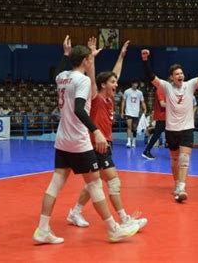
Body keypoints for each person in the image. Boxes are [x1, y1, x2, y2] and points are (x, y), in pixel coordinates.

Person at [32, 36, 138, 245]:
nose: (92, 62)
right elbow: (79, 108)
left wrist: (65, 53)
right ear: (85, 61)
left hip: (62, 139)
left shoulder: (61, 77)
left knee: (55, 185)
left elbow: (60, 70)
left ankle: (43, 229)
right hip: (79, 141)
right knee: (95, 184)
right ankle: (113, 229)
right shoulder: (83, 81)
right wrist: (95, 130)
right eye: (90, 59)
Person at [67, 40, 148, 232]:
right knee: (113, 181)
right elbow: (93, 79)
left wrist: (121, 55)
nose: (116, 84)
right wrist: (92, 58)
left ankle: (75, 212)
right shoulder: (96, 96)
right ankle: (124, 219)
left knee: (93, 182)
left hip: (105, 144)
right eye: (112, 82)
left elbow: (115, 73)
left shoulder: (110, 97)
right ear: (103, 85)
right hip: (96, 144)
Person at [141, 45, 198, 203]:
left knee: (184, 159)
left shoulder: (190, 85)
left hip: (187, 129)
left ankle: (182, 186)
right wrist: (145, 60)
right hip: (171, 129)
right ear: (171, 77)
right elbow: (151, 76)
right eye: (177, 74)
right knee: (174, 161)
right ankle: (176, 184)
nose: (180, 75)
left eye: (181, 73)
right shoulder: (167, 87)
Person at [142, 85, 166, 160]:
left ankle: (147, 151)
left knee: (161, 134)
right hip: (162, 117)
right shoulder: (161, 90)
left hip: (166, 117)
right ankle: (146, 151)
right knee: (157, 134)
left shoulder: (167, 91)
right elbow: (162, 104)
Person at [122, 80, 146, 148]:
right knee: (129, 127)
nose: (136, 85)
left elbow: (142, 102)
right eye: (134, 83)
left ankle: (134, 141)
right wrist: (122, 111)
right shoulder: (127, 91)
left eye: (137, 83)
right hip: (128, 112)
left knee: (134, 128)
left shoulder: (140, 93)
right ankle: (129, 141)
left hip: (136, 112)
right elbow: (123, 101)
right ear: (132, 84)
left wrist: (145, 109)